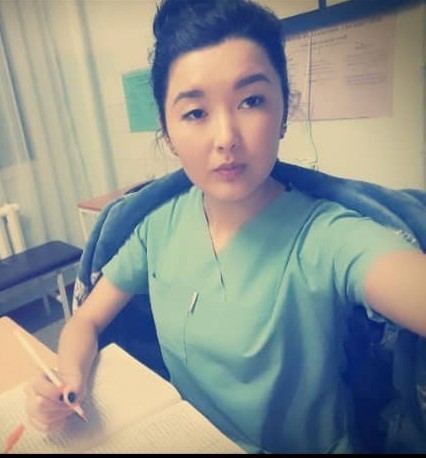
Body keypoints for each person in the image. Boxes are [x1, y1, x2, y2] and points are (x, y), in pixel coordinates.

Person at [25, 0, 426, 453]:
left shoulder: (327, 236)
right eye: (195, 112)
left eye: (251, 101)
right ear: (167, 131)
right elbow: (86, 319)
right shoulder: (158, 226)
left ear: (284, 110)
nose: (226, 138)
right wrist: (67, 379)